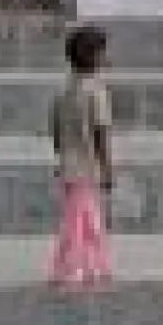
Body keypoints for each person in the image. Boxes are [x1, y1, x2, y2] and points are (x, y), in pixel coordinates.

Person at [48, 24, 115, 289]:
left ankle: (87, 265)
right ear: (93, 57)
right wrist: (108, 168)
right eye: (102, 53)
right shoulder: (96, 92)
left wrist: (64, 154)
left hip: (68, 165)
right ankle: (77, 267)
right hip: (88, 166)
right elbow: (101, 134)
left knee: (79, 217)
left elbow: (54, 132)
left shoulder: (64, 92)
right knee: (85, 221)